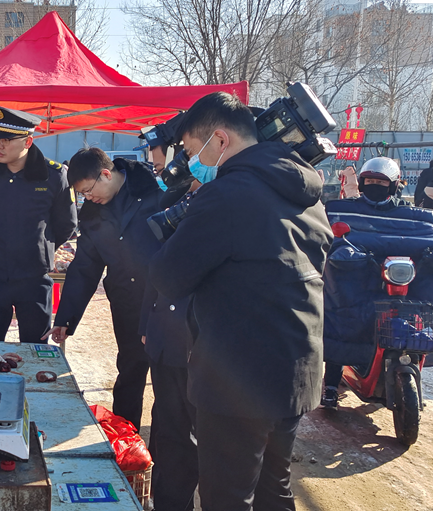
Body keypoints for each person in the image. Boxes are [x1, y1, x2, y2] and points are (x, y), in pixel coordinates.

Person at [149, 92, 332, 511]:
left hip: (237, 378)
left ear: (220, 141)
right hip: (296, 371)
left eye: (194, 151)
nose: (192, 162)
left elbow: (168, 276)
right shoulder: (305, 192)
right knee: (274, 490)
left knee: (227, 498)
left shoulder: (227, 195)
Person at [43, 148, 161, 431]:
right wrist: (65, 319)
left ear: (105, 174)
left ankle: (165, 456)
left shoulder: (158, 191)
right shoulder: (93, 214)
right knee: (130, 374)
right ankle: (126, 439)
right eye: (81, 195)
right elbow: (85, 267)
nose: (87, 198)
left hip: (163, 305)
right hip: (128, 305)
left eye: (88, 190)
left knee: (169, 385)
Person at [0, 106, 78, 343]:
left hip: (34, 279)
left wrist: (43, 248)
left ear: (28, 141)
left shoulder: (53, 175)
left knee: (35, 349)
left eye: (6, 140)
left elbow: (67, 223)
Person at [140, 118, 201, 511]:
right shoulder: (170, 202)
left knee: (197, 440)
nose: (154, 162)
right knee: (168, 431)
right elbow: (155, 271)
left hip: (199, 344)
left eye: (159, 152)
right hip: (165, 338)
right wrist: (148, 323)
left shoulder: (222, 200)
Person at [320, 157, 409, 409]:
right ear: (361, 182)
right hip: (358, 278)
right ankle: (330, 384)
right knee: (343, 319)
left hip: (392, 279)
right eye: (369, 181)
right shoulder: (349, 209)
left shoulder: (404, 212)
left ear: (392, 186)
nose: (374, 186)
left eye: (380, 182)